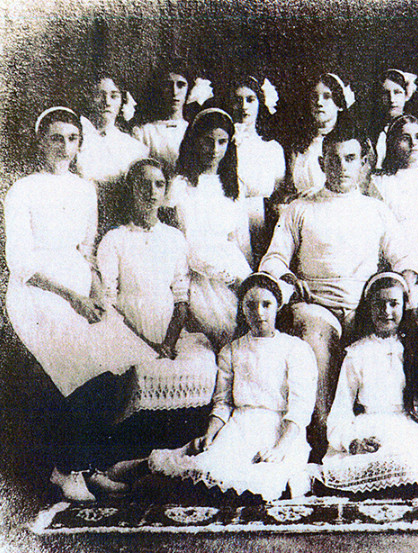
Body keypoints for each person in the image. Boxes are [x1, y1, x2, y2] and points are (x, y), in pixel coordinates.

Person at [4, 107, 155, 501]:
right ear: (41, 141)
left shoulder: (85, 189)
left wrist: (98, 294)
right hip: (37, 292)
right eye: (56, 138)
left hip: (79, 286)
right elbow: (21, 263)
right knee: (80, 363)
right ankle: (66, 470)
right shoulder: (22, 190)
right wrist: (74, 300)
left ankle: (91, 466)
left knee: (122, 360)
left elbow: (85, 251)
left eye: (72, 139)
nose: (64, 147)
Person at [259, 118, 418, 462]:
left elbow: (404, 258)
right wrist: (288, 278)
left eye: (350, 159)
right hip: (317, 305)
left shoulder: (376, 210)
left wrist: (407, 284)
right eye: (334, 159)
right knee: (315, 334)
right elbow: (273, 258)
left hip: (365, 309)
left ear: (363, 163)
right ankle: (321, 437)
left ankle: (374, 439)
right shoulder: (300, 208)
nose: (342, 167)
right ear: (322, 163)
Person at [148, 273, 318, 501]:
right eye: (251, 305)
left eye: (266, 304)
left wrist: (279, 449)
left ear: (278, 306)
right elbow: (224, 403)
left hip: (281, 431)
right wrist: (210, 435)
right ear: (243, 309)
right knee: (207, 473)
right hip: (239, 428)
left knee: (263, 481)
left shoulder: (296, 349)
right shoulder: (231, 350)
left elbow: (300, 408)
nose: (259, 313)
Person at [96, 159, 218, 458]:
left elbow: (181, 299)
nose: (151, 192)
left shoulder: (174, 238)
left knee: (200, 364)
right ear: (130, 189)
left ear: (165, 192)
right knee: (133, 373)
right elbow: (109, 301)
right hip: (127, 332)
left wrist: (168, 342)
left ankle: (173, 455)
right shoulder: (114, 239)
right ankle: (125, 457)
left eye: (159, 184)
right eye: (143, 184)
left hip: (168, 332)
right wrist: (145, 344)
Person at [321, 272, 418, 495]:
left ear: (405, 306)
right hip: (369, 427)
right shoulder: (357, 353)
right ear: (369, 308)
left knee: (416, 467)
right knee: (371, 468)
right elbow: (341, 409)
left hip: (409, 429)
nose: (386, 311)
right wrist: (352, 442)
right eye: (379, 304)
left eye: (393, 304)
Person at [168, 107, 252, 349]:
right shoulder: (181, 185)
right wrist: (222, 275)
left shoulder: (235, 187)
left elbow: (241, 241)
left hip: (233, 267)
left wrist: (244, 281)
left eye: (222, 142)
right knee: (211, 328)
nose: (215, 150)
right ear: (195, 141)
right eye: (208, 141)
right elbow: (182, 241)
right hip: (196, 271)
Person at [368, 114, 418, 277]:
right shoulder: (380, 182)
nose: (413, 143)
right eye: (405, 138)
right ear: (393, 142)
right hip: (396, 260)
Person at [76, 74, 149, 235]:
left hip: (120, 224)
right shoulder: (75, 140)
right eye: (99, 95)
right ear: (89, 98)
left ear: (122, 100)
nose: (107, 102)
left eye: (114, 96)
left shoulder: (134, 148)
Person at [227, 75, 286, 260]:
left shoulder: (272, 148)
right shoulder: (222, 146)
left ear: (260, 103)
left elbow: (277, 192)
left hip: (263, 223)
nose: (244, 106)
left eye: (250, 100)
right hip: (230, 222)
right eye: (238, 100)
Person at [132, 59, 212, 172]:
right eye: (168, 85)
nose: (174, 92)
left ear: (189, 89)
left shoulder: (194, 130)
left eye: (181, 85)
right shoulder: (145, 132)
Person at [284, 72, 355, 197]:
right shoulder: (299, 146)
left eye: (327, 97)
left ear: (339, 104)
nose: (319, 102)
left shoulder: (352, 144)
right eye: (314, 97)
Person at [370, 68, 418, 169]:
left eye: (397, 92)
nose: (392, 100)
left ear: (406, 95)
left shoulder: (415, 128)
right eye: (385, 93)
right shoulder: (372, 130)